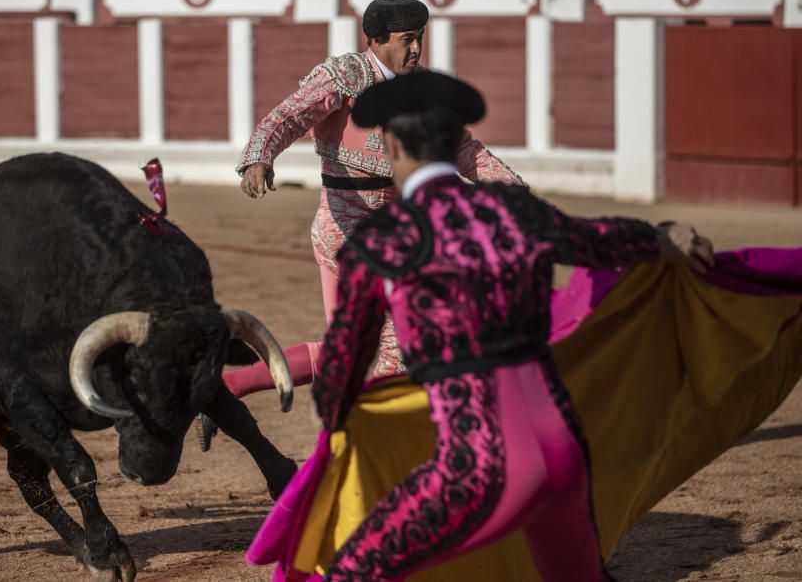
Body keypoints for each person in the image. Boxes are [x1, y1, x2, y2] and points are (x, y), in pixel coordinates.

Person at [306, 71, 713, 581]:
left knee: (352, 571)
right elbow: (597, 239)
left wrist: (340, 426)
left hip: (478, 464)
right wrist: (661, 237)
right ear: (454, 143)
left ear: (389, 144)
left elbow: (344, 363)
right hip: (563, 451)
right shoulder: (514, 211)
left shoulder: (384, 240)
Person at [214, 0, 522, 438]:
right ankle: (373, 447)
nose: (416, 50)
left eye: (420, 38)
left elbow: (463, 149)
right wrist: (258, 158)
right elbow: (287, 117)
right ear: (376, 39)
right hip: (345, 229)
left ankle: (232, 384)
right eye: (407, 40)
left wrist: (512, 190)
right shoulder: (343, 77)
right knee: (401, 344)